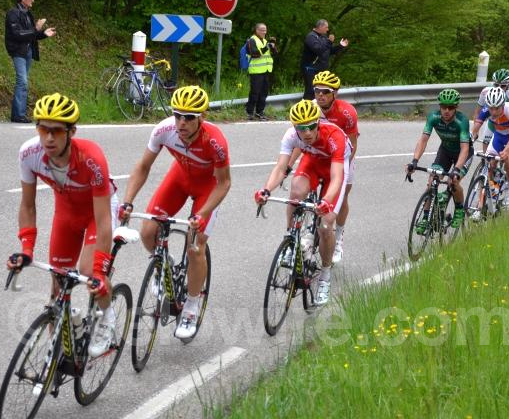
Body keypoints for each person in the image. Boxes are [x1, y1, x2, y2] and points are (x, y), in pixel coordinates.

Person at [7, 93, 120, 358]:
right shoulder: (29, 154)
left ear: (72, 132)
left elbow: (103, 219)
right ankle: (56, 356)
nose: (48, 138)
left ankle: (108, 317)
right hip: (67, 213)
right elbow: (27, 205)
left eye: (56, 131)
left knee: (88, 271)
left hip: (97, 212)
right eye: (43, 129)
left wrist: (100, 269)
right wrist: (26, 249)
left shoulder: (91, 158)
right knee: (58, 283)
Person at [119, 86, 231, 340]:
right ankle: (165, 266)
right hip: (179, 179)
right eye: (177, 115)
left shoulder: (215, 141)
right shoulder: (164, 130)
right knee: (148, 232)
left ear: (202, 117)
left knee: (195, 246)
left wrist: (202, 214)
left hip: (208, 187)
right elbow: (143, 166)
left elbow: (224, 183)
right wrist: (128, 201)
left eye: (189, 117)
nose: (181, 122)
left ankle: (191, 304)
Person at [254, 100, 351, 306]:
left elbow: (337, 178)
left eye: (311, 126)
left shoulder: (335, 137)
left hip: (334, 169)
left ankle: (325, 276)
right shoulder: (291, 135)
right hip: (312, 163)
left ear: (318, 123)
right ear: (294, 126)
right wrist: (266, 190)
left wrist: (326, 202)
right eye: (301, 128)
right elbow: (281, 168)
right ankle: (292, 239)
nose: (306, 132)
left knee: (326, 225)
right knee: (296, 192)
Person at [406, 89, 472, 232]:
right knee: (432, 181)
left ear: (456, 107)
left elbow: (465, 148)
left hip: (463, 154)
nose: (446, 110)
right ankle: (426, 218)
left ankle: (459, 209)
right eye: (443, 107)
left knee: (453, 181)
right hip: (445, 151)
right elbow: (423, 140)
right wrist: (414, 161)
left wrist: (456, 170)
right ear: (439, 106)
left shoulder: (462, 121)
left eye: (451, 107)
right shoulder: (433, 117)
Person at [312, 70, 358, 263]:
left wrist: (341, 169)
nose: (320, 95)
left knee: (343, 194)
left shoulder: (347, 112)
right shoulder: (311, 108)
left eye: (325, 91)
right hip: (318, 155)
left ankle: (338, 237)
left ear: (335, 93)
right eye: (317, 91)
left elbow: (353, 144)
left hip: (342, 156)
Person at [5, 0, 56, 123]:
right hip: (18, 51)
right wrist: (36, 29)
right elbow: (17, 34)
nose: (33, 0)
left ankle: (18, 114)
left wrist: (44, 33)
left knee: (23, 82)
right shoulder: (13, 13)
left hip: (28, 51)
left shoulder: (28, 14)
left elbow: (31, 34)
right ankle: (19, 115)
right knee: (22, 81)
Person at [472, 87, 509, 211]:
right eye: (491, 108)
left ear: (503, 104)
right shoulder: (487, 109)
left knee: (507, 159)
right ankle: (490, 195)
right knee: (490, 163)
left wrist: (506, 152)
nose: (493, 112)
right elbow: (475, 128)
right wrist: (471, 138)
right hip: (499, 136)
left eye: (497, 108)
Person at [472, 69, 509, 153]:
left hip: (506, 126)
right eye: (496, 85)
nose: (499, 88)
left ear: (508, 85)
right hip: (492, 123)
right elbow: (478, 112)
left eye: (503, 86)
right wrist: (475, 131)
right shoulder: (485, 92)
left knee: (506, 153)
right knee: (486, 154)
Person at [300, 19, 348, 100]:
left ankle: (318, 107)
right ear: (320, 27)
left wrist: (340, 46)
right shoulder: (311, 36)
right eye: (326, 27)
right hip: (310, 68)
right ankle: (305, 106)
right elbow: (318, 49)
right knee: (311, 91)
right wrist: (329, 42)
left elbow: (329, 51)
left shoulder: (323, 37)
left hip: (321, 69)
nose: (327, 29)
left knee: (320, 90)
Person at [245, 23, 277, 121]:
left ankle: (259, 112)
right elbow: (254, 54)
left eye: (265, 30)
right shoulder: (251, 40)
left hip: (266, 70)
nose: (264, 32)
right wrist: (266, 47)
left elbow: (275, 54)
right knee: (255, 93)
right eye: (262, 30)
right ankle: (249, 112)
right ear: (257, 30)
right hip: (256, 71)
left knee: (264, 93)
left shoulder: (265, 41)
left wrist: (273, 47)